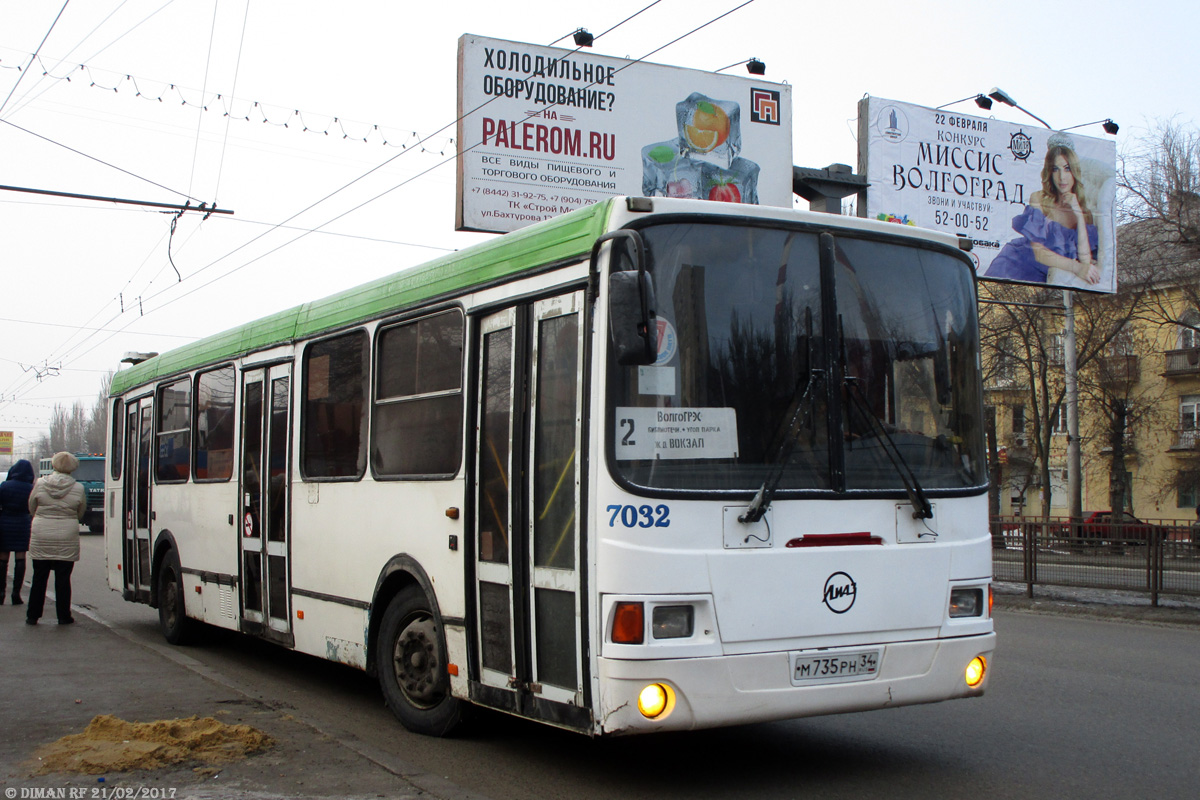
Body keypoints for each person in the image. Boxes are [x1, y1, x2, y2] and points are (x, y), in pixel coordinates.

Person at [984, 140, 1101, 286]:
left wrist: (1078, 214)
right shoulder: (1038, 198)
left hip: (1048, 279)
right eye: (1055, 169)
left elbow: (1085, 260)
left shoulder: (1084, 210)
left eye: (1067, 168)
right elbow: (1039, 254)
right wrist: (1076, 268)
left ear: (1074, 172)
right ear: (1049, 172)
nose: (1061, 177)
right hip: (1017, 263)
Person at [26, 451, 86, 625]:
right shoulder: (78, 488)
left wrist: (41, 517)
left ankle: (32, 615)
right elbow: (80, 512)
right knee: (63, 578)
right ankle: (63, 616)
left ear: (53, 465)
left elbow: (32, 506)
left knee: (39, 576)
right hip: (67, 534)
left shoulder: (40, 483)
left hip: (41, 532)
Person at [0, 459, 36, 605]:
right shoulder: (30, 488)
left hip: (4, 522)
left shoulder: (5, 486)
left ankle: (1, 593)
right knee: (20, 557)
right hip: (23, 522)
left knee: (2, 558)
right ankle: (16, 593)